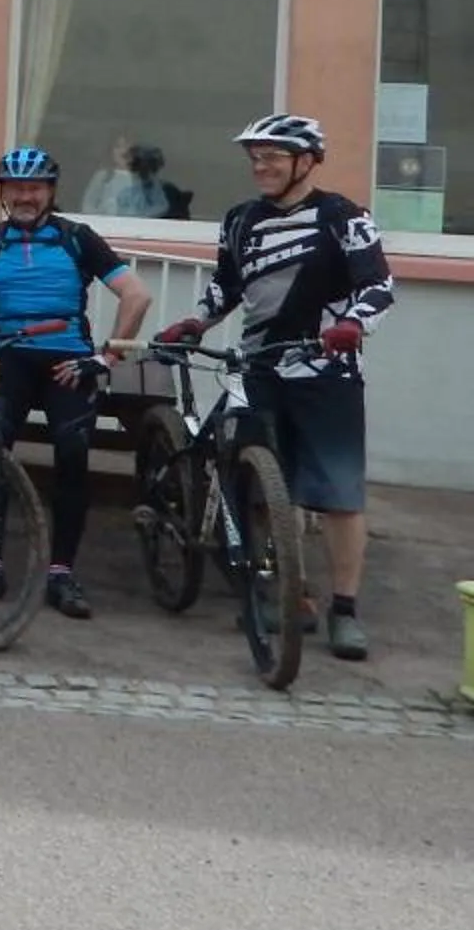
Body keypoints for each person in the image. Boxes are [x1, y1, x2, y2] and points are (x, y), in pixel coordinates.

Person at [158, 113, 395, 661]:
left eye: (273, 156)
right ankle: (290, 594)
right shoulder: (241, 220)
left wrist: (353, 325)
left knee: (339, 496)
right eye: (255, 157)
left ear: (306, 161)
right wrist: (196, 322)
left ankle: (345, 610)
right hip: (259, 369)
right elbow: (226, 286)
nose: (260, 166)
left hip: (326, 373)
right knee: (262, 486)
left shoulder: (342, 216)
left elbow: (379, 284)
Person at [0, 147, 152, 615]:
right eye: (16, 188)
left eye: (34, 188)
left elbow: (136, 296)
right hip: (9, 354)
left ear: (50, 193)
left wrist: (106, 357)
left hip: (69, 360)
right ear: (2, 192)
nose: (25, 196)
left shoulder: (77, 238)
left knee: (73, 455)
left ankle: (62, 572)